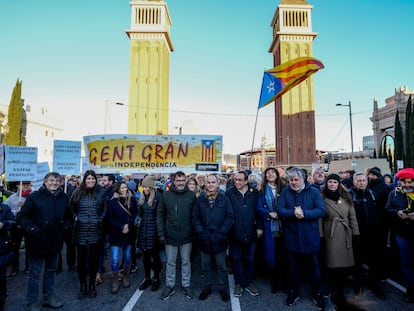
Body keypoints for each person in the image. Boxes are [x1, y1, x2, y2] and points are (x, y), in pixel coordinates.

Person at [17, 172, 70, 311]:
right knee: (34, 274)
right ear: (45, 182)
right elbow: (22, 217)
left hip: (55, 242)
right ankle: (32, 302)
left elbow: (68, 216)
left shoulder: (64, 197)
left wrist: (65, 227)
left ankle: (49, 297)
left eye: (57, 180)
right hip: (37, 242)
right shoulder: (34, 197)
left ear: (61, 183)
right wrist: (33, 229)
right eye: (51, 180)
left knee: (51, 271)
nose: (54, 182)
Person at [276, 167, 326, 310]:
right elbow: (280, 209)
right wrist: (293, 213)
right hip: (292, 237)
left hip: (310, 237)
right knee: (293, 268)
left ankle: (317, 293)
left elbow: (321, 210)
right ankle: (294, 292)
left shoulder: (314, 192)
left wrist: (304, 214)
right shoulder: (285, 192)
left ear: (303, 179)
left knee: (314, 268)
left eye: (296, 179)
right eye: (291, 180)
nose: (293, 182)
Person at [192, 174, 234, 302]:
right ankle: (207, 287)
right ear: (205, 184)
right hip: (205, 239)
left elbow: (229, 217)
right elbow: (195, 217)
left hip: (219, 238)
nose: (210, 184)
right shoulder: (200, 200)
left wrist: (221, 233)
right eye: (208, 182)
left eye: (213, 182)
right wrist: (201, 232)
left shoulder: (224, 198)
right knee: (205, 266)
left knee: (221, 266)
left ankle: (222, 288)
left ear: (217, 183)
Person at [157, 171, 196, 300]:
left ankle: (186, 285)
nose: (180, 183)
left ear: (185, 180)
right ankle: (170, 285)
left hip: (186, 236)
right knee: (170, 263)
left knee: (186, 262)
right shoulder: (166, 195)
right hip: (170, 235)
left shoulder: (191, 195)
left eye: (182, 180)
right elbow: (160, 214)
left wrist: (194, 233)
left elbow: (195, 216)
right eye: (178, 180)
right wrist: (161, 233)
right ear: (173, 181)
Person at [320, 174, 360, 300]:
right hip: (330, 232)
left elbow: (352, 217)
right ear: (326, 183)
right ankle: (335, 288)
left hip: (345, 232)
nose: (332, 184)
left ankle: (340, 287)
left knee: (346, 263)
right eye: (330, 182)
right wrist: (320, 235)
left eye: (335, 182)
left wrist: (355, 233)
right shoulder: (321, 198)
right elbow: (319, 219)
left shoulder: (347, 197)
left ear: (339, 184)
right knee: (332, 263)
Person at [349, 172, 386, 299]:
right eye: (358, 181)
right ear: (354, 182)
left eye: (363, 180)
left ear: (367, 181)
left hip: (373, 234)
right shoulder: (349, 195)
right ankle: (358, 286)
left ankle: (375, 285)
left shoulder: (373, 194)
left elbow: (380, 213)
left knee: (374, 261)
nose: (361, 183)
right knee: (357, 262)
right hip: (357, 234)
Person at [70, 170, 107, 299]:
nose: (91, 180)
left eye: (93, 178)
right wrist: (75, 218)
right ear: (84, 179)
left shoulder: (101, 192)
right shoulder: (77, 193)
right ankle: (82, 285)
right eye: (88, 178)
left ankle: (92, 285)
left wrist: (101, 218)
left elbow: (105, 208)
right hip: (80, 232)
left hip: (96, 232)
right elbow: (71, 208)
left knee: (93, 261)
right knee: (80, 262)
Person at [226, 171, 260, 297]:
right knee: (236, 259)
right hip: (235, 232)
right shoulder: (229, 192)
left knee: (250, 259)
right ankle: (239, 283)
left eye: (240, 180)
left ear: (246, 181)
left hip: (251, 231)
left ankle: (249, 282)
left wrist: (260, 227)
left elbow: (258, 211)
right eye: (235, 180)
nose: (237, 182)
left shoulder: (254, 193)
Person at [257, 167, 288, 294]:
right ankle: (275, 282)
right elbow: (258, 208)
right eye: (267, 173)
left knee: (285, 256)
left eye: (272, 172)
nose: (270, 174)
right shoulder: (262, 191)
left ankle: (286, 283)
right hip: (270, 227)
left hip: (285, 226)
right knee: (273, 255)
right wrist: (269, 213)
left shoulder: (285, 189)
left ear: (277, 175)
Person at [385, 168, 414, 303]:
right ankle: (411, 289)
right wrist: (397, 213)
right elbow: (387, 210)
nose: (407, 185)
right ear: (400, 182)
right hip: (403, 235)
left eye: (410, 182)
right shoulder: (394, 194)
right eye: (404, 182)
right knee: (406, 263)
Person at [107, 181, 138, 294]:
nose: (124, 189)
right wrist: (121, 226)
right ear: (117, 190)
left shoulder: (133, 200)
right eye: (122, 188)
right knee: (115, 259)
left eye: (125, 187)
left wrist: (127, 225)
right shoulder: (112, 202)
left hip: (129, 233)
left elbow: (135, 214)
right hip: (116, 233)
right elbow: (110, 219)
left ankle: (125, 276)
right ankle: (115, 279)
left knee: (127, 256)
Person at [137, 175, 162, 292]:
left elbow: (161, 216)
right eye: (144, 186)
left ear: (152, 187)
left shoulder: (158, 198)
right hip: (143, 231)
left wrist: (160, 233)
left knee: (155, 257)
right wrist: (137, 219)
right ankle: (147, 278)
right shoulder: (141, 199)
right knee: (145, 257)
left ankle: (156, 278)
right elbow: (139, 214)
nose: (145, 189)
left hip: (154, 232)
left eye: (147, 187)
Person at [4, 181, 32, 277]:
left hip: (28, 225)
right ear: (17, 186)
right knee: (14, 248)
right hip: (16, 226)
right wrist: (17, 210)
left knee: (29, 247)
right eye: (23, 184)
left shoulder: (33, 197)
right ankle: (14, 267)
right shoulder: (11, 198)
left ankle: (28, 267)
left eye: (28, 184)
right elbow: (6, 212)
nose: (26, 186)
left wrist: (25, 208)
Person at [0, 202, 16, 311]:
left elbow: (13, 222)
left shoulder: (4, 207)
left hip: (1, 250)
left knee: (0, 280)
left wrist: (3, 224)